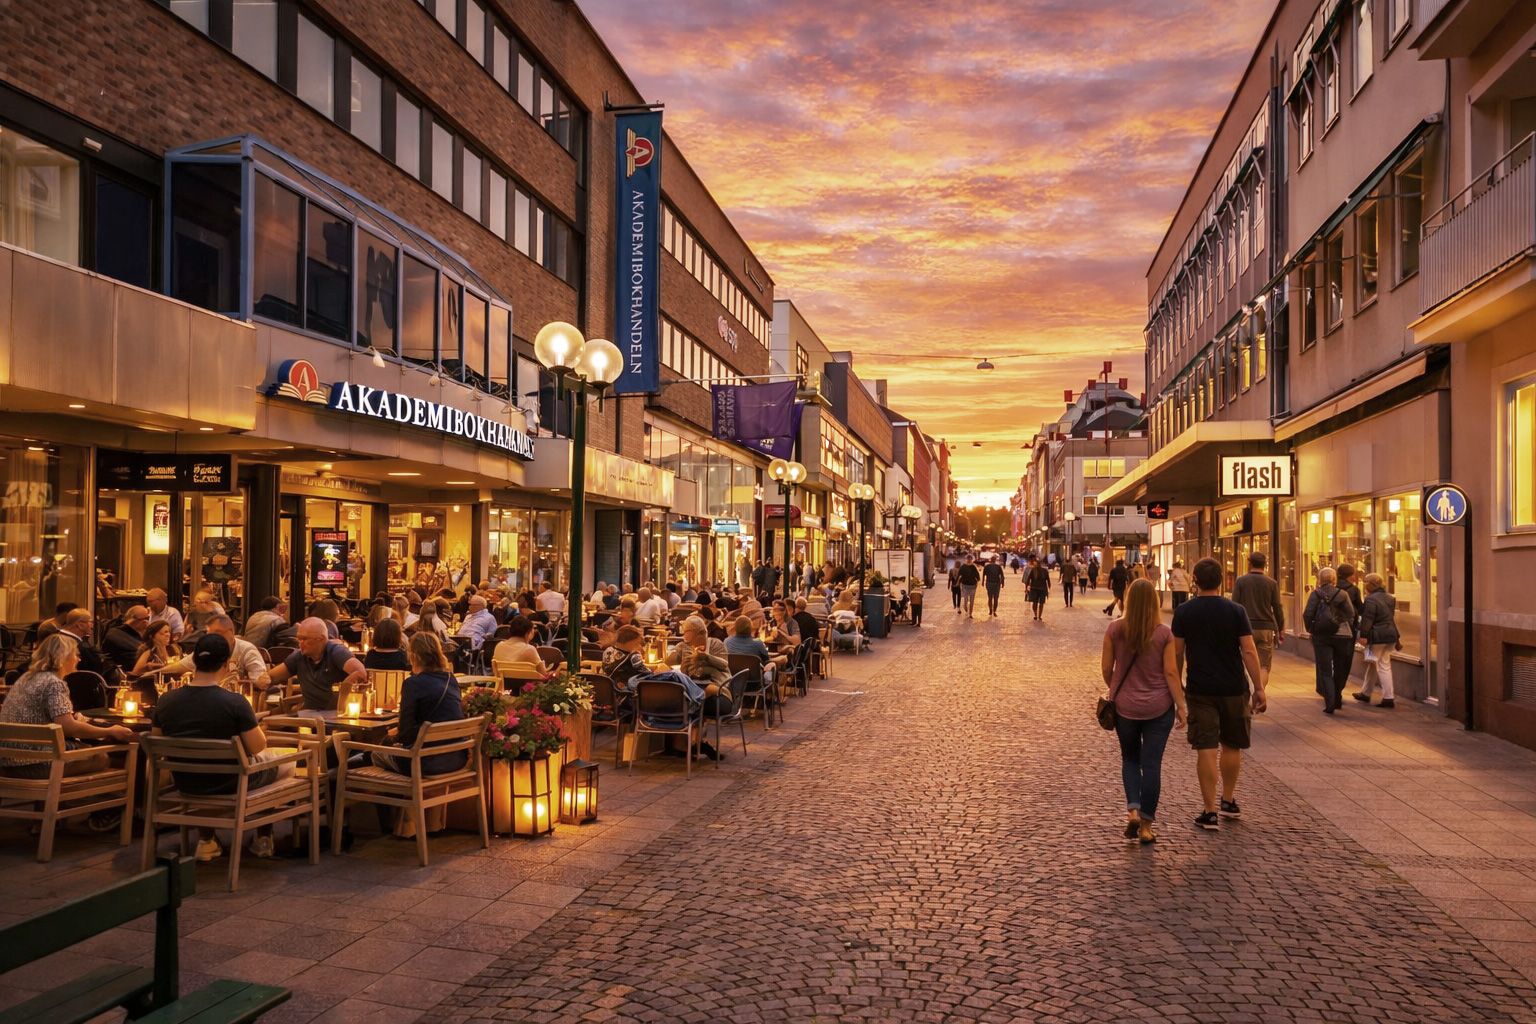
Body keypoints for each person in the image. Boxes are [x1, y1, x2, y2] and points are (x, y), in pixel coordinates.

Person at [149, 634, 294, 861]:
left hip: (186, 782)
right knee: (287, 762)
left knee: (214, 766)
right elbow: (256, 747)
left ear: (194, 661)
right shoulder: (235, 702)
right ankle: (263, 837)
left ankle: (207, 841)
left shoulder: (166, 700)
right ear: (227, 664)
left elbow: (158, 741)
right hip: (231, 785)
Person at [1171, 557, 1265, 831]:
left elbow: (1177, 653)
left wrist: (1177, 685)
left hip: (1201, 689)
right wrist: (1258, 687)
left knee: (1206, 748)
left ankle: (1209, 811)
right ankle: (1228, 800)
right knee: (1232, 745)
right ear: (1222, 580)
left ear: (1195, 581)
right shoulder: (1236, 611)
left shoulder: (1184, 612)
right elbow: (1248, 650)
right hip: (1234, 687)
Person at [1102, 578, 1184, 845]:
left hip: (1125, 707)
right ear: (1154, 603)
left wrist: (1116, 689)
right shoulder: (1164, 633)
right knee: (1152, 766)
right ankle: (1147, 827)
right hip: (1159, 708)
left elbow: (1106, 669)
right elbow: (1171, 672)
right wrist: (1181, 705)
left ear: (1128, 599)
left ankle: (1133, 811)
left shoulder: (1114, 630)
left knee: (1129, 759)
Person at [0, 635, 135, 783]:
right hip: (38, 763)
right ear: (63, 656)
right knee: (103, 756)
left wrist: (75, 718)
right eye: (76, 655)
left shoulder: (26, 678)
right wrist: (109, 731)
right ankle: (101, 803)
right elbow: (67, 727)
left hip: (7, 762)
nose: (79, 659)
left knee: (91, 750)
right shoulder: (54, 683)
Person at [371, 633, 467, 777]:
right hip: (457, 759)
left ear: (414, 656)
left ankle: (391, 798)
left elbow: (405, 735)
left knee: (375, 754)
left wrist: (393, 737)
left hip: (423, 763)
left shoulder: (412, 683)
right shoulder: (450, 679)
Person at [258, 618, 368, 712]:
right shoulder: (299, 656)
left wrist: (341, 697)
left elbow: (360, 673)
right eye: (298, 638)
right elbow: (271, 677)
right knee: (266, 722)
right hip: (310, 715)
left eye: (304, 639)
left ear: (321, 639)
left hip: (335, 716)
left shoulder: (336, 652)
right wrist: (264, 679)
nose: (300, 643)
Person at [664, 617, 731, 760]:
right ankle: (694, 744)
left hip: (717, 690)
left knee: (695, 698)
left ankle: (690, 744)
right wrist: (678, 658)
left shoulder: (715, 644)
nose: (684, 635)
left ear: (698, 632)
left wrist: (705, 657)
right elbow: (668, 662)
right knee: (683, 696)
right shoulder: (683, 646)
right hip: (693, 687)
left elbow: (724, 665)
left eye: (686, 631)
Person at [1304, 568, 1358, 714]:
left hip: (1321, 636)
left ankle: (1330, 703)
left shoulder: (1315, 594)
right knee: (1340, 668)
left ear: (1320, 580)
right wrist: (1337, 621)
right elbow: (1351, 613)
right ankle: (1338, 698)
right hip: (1342, 636)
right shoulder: (1343, 594)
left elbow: (1308, 614)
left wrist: (1312, 629)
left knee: (1325, 670)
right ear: (1334, 580)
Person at [1231, 551, 1285, 691]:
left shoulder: (1240, 581)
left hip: (1244, 628)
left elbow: (1234, 605)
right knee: (1264, 666)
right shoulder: (1272, 583)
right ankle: (1259, 692)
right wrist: (1281, 627)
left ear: (1250, 563)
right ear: (1265, 564)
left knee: (1242, 662)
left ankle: (1246, 692)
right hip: (1266, 628)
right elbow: (1277, 607)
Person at [1353, 573, 1400, 708]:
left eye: (1365, 582)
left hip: (1379, 636)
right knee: (1375, 663)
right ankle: (1366, 693)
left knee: (1382, 665)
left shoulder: (1371, 599)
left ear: (1371, 584)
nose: (1364, 584)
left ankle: (1388, 698)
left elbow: (1368, 619)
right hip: (1390, 634)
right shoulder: (1390, 598)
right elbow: (1389, 617)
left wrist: (1363, 635)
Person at [58, 608, 122, 689]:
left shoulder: (57, 637)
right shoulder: (79, 646)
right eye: (90, 622)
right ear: (80, 625)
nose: (92, 626)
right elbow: (95, 670)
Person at [102, 605, 151, 676]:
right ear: (133, 620)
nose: (147, 622)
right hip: (123, 676)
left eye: (148, 618)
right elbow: (135, 657)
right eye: (145, 619)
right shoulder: (116, 634)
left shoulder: (139, 633)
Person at [1025, 555, 1051, 621]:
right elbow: (1048, 580)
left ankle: (1035, 615)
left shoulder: (1033, 570)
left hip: (1034, 588)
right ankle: (1040, 616)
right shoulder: (1045, 571)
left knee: (1035, 602)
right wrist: (1049, 588)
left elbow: (1028, 579)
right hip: (1042, 588)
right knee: (1041, 603)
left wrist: (1027, 587)